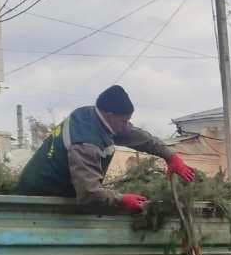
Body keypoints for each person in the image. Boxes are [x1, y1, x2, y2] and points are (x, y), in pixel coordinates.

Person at [15, 85, 196, 211]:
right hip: (39, 199)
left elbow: (135, 135)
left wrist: (170, 156)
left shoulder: (92, 115)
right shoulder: (86, 143)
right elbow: (89, 194)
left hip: (55, 193)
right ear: (109, 115)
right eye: (124, 120)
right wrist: (121, 199)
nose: (126, 125)